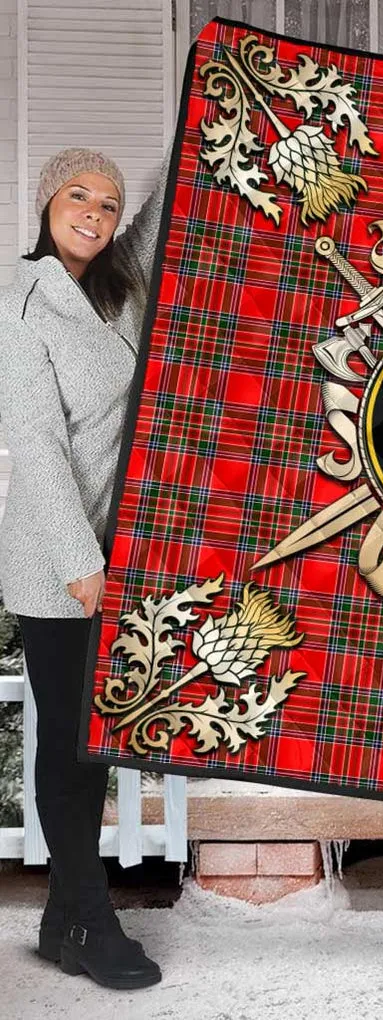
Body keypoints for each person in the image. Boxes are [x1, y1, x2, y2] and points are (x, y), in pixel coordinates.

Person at [0, 147, 168, 989]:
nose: (96, 214)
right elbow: (33, 447)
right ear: (45, 202)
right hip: (57, 559)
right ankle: (93, 924)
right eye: (78, 196)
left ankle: (58, 921)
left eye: (107, 202)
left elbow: (168, 198)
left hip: (113, 550)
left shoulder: (118, 285)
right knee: (70, 748)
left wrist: (222, 74)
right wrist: (78, 562)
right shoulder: (19, 304)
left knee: (92, 743)